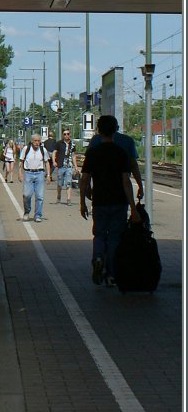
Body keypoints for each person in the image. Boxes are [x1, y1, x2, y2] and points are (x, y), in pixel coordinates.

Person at [79, 114, 141, 286]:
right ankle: (111, 274)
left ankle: (98, 257)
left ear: (99, 130)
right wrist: (133, 208)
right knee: (114, 238)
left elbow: (84, 179)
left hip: (99, 201)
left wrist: (82, 202)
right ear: (115, 130)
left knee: (99, 234)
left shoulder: (93, 152)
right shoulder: (120, 153)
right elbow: (125, 181)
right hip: (119, 202)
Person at [88, 121, 144, 198]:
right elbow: (133, 166)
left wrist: (87, 188)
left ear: (100, 129)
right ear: (117, 128)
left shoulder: (95, 140)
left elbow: (88, 167)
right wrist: (140, 186)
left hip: (100, 191)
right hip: (121, 192)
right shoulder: (128, 141)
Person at [18, 132, 50, 221]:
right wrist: (19, 173)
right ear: (32, 141)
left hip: (39, 173)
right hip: (28, 173)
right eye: (35, 141)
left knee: (39, 196)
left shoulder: (43, 150)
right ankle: (27, 211)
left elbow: (47, 162)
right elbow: (21, 161)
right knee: (26, 195)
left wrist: (48, 175)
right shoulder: (26, 149)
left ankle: (38, 215)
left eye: (38, 141)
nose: (37, 143)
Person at [52, 128, 78, 205]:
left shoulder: (72, 144)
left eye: (68, 134)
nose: (66, 135)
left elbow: (73, 155)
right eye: (65, 134)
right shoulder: (59, 143)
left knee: (68, 183)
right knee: (60, 183)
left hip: (69, 166)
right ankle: (59, 196)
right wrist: (54, 161)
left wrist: (75, 166)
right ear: (63, 135)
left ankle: (68, 199)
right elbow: (54, 152)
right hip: (61, 165)